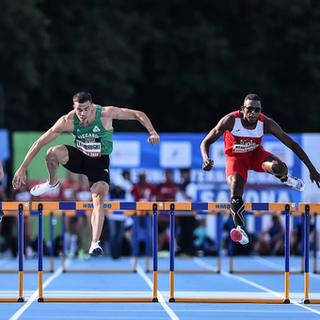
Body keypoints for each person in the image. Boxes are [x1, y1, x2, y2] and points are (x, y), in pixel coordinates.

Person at [12, 91, 160, 256]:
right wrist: (23, 167)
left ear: (92, 106)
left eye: (86, 109)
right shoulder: (67, 121)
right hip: (80, 158)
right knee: (51, 152)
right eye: (79, 109)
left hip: (99, 163)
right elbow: (39, 142)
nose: (82, 114)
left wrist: (152, 131)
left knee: (99, 200)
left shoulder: (105, 114)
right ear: (74, 108)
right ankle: (52, 182)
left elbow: (138, 114)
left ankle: (94, 243)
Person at [200, 93, 320, 246]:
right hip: (235, 159)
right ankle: (240, 229)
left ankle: (284, 178)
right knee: (236, 187)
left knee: (279, 167)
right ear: (243, 109)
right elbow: (206, 142)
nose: (253, 113)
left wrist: (312, 169)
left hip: (256, 155)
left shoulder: (266, 123)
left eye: (257, 110)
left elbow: (293, 144)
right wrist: (205, 159)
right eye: (250, 109)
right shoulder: (230, 120)